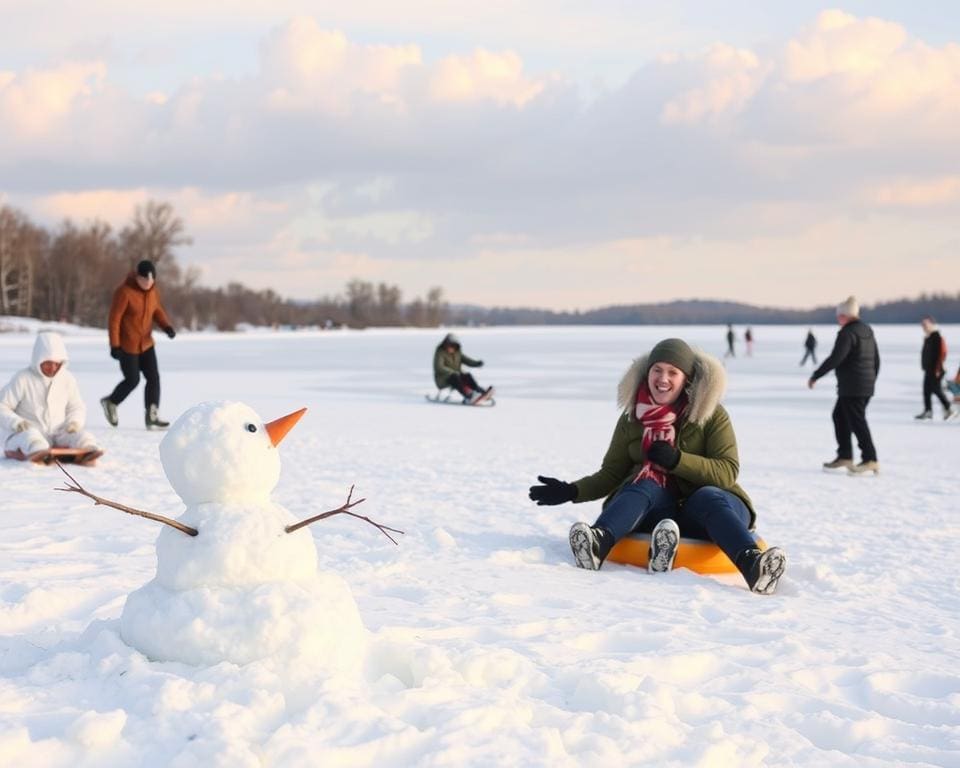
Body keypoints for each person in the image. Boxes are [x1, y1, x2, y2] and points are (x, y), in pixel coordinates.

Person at [527, 338, 787, 595]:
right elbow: (611, 475)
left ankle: (753, 565)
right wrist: (572, 491)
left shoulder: (711, 414)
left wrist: (677, 460)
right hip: (658, 511)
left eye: (673, 372)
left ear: (687, 378)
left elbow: (726, 471)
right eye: (657, 370)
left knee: (707, 496)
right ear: (647, 373)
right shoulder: (633, 417)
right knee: (645, 482)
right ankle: (599, 543)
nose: (663, 379)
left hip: (716, 508)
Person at [0, 331, 102, 462]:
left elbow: (76, 406)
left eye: (57, 364)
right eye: (48, 363)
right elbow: (2, 406)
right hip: (23, 432)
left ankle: (87, 451)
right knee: (31, 437)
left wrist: (74, 422)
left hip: (57, 434)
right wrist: (17, 423)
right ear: (38, 360)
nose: (53, 368)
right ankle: (38, 452)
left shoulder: (67, 379)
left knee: (82, 436)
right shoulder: (23, 378)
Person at [808, 296, 880, 474]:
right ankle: (845, 456)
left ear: (845, 315)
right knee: (840, 416)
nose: (837, 318)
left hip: (852, 386)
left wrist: (816, 375)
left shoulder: (847, 333)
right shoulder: (867, 330)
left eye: (839, 315)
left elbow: (836, 358)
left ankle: (870, 458)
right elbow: (876, 359)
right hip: (864, 385)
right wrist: (871, 380)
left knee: (857, 422)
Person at [101, 259, 176, 429]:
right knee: (132, 380)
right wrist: (115, 345)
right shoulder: (124, 292)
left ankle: (152, 415)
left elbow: (157, 311)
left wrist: (167, 326)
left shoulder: (153, 292)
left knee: (153, 378)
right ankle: (111, 402)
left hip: (147, 344)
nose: (148, 284)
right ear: (138, 277)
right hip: (127, 346)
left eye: (151, 281)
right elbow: (114, 320)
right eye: (145, 280)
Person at [916, 316, 956, 420]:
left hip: (937, 370)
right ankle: (928, 411)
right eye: (922, 325)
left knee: (936, 389)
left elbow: (943, 353)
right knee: (926, 390)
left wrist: (938, 368)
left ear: (931, 324)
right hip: (929, 369)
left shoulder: (937, 337)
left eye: (925, 324)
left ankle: (949, 409)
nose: (923, 327)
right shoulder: (928, 337)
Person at [432, 333, 492, 403]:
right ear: (445, 344)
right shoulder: (440, 352)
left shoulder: (457, 353)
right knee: (455, 377)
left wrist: (476, 363)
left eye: (453, 346)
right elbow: (439, 367)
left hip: (456, 375)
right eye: (449, 345)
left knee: (467, 376)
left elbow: (467, 360)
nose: (451, 348)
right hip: (443, 379)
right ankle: (469, 395)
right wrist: (452, 372)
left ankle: (480, 391)